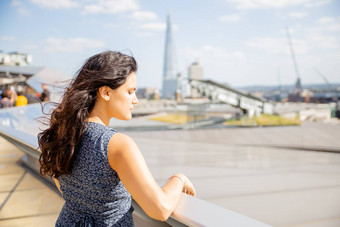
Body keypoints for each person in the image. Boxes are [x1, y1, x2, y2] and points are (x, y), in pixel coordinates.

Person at [38, 51, 196, 226]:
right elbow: (160, 208)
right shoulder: (115, 144)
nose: (135, 100)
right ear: (105, 92)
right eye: (130, 92)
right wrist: (178, 179)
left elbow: (66, 189)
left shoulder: (64, 133)